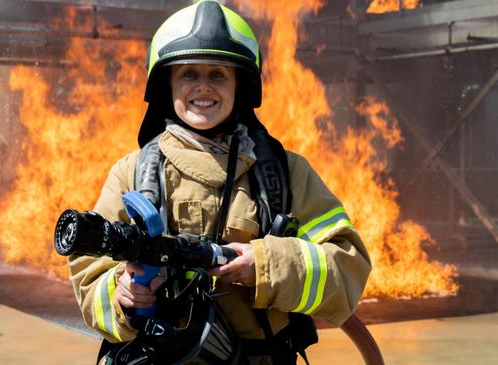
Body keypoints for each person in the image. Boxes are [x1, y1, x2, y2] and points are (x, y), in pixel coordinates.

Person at [68, 1, 371, 364]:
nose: (203, 87)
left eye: (218, 75)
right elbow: (89, 275)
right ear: (167, 85)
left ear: (240, 86)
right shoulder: (132, 173)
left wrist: (265, 265)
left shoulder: (285, 174)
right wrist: (121, 294)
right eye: (189, 74)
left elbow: (348, 270)